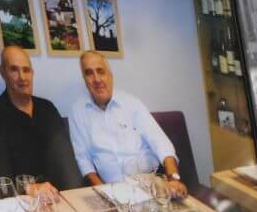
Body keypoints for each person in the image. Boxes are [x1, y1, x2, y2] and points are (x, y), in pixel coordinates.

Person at [67, 52, 187, 195]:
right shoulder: (77, 111)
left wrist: (173, 178)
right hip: (111, 189)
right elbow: (83, 158)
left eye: (100, 71)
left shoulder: (131, 103)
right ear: (85, 79)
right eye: (89, 73)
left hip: (150, 183)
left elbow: (159, 141)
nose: (97, 79)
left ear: (110, 75)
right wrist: (103, 192)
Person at [0, 45, 77, 204]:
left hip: (55, 199)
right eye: (14, 70)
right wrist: (30, 188)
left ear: (32, 73)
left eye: (26, 70)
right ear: (3, 72)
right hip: (13, 203)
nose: (22, 77)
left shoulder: (47, 109)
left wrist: (73, 201)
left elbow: (67, 164)